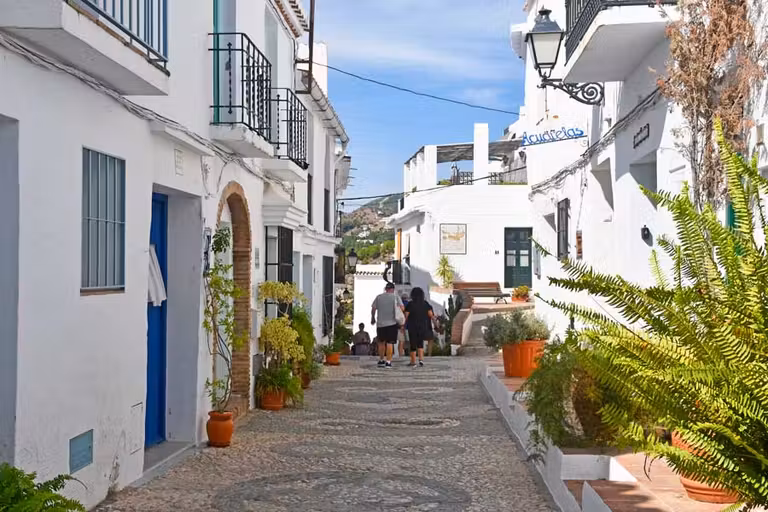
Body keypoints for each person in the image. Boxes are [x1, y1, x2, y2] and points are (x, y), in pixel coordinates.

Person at [371, 282, 405, 369]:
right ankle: (388, 362)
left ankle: (381, 359)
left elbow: (374, 308)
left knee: (381, 343)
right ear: (393, 289)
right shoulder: (396, 297)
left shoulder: (379, 297)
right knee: (390, 343)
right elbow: (402, 308)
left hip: (380, 324)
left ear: (386, 289)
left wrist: (373, 318)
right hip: (392, 323)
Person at [404, 287, 436, 367]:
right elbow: (431, 315)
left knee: (413, 344)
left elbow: (406, 316)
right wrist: (435, 323)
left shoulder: (410, 304)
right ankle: (421, 360)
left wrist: (403, 325)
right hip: (423, 326)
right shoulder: (425, 303)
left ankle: (413, 361)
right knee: (420, 343)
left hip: (412, 326)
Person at [398, 292, 411, 357]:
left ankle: (401, 353)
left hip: (400, 325)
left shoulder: (399, 305)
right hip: (408, 325)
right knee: (408, 340)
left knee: (401, 340)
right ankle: (407, 352)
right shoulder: (409, 304)